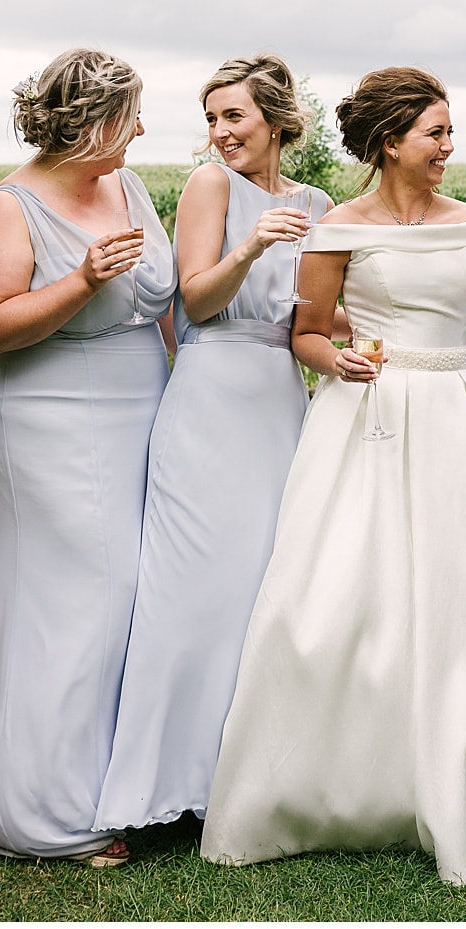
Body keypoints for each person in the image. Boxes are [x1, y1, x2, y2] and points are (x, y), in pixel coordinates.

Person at [200, 67, 466, 886]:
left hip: (450, 411)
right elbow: (306, 330)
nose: (450, 147)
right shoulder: (334, 227)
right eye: (435, 133)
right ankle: (326, 782)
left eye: (449, 132)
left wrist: (433, 357)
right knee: (338, 593)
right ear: (389, 143)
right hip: (361, 416)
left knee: (464, 597)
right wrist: (336, 356)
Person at [0, 48, 175, 865]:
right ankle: (42, 807)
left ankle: (120, 778)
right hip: (50, 422)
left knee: (134, 595)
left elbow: (159, 303)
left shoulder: (129, 188)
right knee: (80, 599)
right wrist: (85, 278)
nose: (141, 130)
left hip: (142, 412)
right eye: (130, 116)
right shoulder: (8, 208)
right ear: (92, 122)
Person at [96, 54, 333, 831]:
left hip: (279, 400)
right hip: (207, 393)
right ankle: (160, 787)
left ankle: (246, 774)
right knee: (191, 586)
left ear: (274, 119)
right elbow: (192, 298)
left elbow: (314, 320)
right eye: (211, 118)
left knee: (264, 582)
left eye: (233, 116)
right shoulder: (210, 186)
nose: (220, 133)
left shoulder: (319, 202)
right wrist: (251, 246)